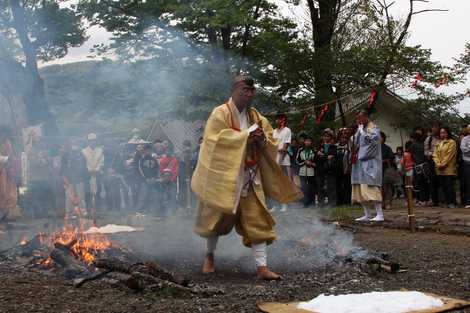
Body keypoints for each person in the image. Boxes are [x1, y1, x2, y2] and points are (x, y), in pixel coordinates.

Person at [191, 75, 302, 280]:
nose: (249, 94)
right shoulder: (220, 113)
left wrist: (260, 140)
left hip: (250, 176)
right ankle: (209, 256)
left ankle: (262, 268)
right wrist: (244, 137)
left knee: (258, 220)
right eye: (245, 90)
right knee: (213, 220)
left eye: (252, 91)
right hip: (224, 179)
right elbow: (213, 140)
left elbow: (271, 140)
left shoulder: (256, 116)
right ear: (234, 90)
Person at [351, 110, 384, 222]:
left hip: (370, 162)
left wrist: (362, 132)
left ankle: (380, 214)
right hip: (359, 163)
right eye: (357, 119)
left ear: (366, 117)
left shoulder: (374, 128)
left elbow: (373, 142)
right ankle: (367, 214)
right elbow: (353, 144)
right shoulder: (360, 129)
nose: (358, 121)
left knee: (371, 188)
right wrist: (357, 132)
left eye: (360, 118)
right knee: (360, 189)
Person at [61, 141, 88, 217]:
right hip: (69, 180)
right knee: (69, 197)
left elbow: (84, 168)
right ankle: (69, 213)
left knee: (81, 197)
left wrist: (83, 177)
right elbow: (63, 169)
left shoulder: (81, 156)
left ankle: (82, 212)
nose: (74, 147)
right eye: (73, 145)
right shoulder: (65, 156)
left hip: (79, 179)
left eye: (76, 145)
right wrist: (65, 179)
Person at [272, 113, 292, 212]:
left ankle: (285, 204)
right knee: (275, 182)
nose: (277, 120)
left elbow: (286, 145)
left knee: (284, 181)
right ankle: (275, 204)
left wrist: (281, 156)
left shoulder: (287, 130)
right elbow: (272, 145)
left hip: (284, 159)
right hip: (275, 157)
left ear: (283, 119)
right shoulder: (273, 131)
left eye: (279, 119)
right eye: (276, 119)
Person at [433, 127, 457, 208]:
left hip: (448, 168)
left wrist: (442, 164)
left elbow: (449, 155)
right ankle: (446, 202)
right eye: (441, 133)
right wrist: (438, 164)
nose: (442, 134)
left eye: (444, 132)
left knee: (449, 185)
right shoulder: (438, 143)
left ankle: (452, 202)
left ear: (448, 133)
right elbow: (435, 155)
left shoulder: (452, 142)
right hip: (439, 168)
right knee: (442, 186)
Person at [82, 133, 105, 215]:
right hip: (87, 175)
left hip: (97, 174)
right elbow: (83, 163)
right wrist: (89, 170)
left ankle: (97, 210)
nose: (92, 142)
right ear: (88, 141)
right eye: (91, 141)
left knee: (97, 192)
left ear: (96, 141)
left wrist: (97, 170)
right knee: (88, 193)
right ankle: (88, 210)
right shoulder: (83, 151)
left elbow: (101, 162)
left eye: (94, 141)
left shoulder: (100, 150)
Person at [0, 128, 20, 222]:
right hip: (3, 176)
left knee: (10, 196)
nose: (8, 147)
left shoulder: (11, 154)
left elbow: (11, 159)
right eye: (6, 145)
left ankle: (5, 216)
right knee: (3, 194)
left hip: (10, 178)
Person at [315, 128, 338, 207]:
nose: (326, 138)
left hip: (330, 169)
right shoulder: (319, 146)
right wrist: (326, 156)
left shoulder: (334, 147)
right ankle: (321, 202)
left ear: (331, 137)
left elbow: (332, 157)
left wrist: (322, 155)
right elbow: (317, 158)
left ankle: (332, 202)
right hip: (320, 169)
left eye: (328, 136)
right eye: (325, 136)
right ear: (322, 137)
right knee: (320, 186)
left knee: (331, 186)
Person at [135, 144, 160, 214]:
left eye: (149, 150)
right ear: (144, 151)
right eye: (146, 150)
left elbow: (157, 169)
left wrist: (155, 178)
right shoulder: (141, 160)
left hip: (153, 180)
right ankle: (140, 210)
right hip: (145, 181)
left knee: (154, 195)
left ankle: (152, 210)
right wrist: (145, 178)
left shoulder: (154, 160)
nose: (148, 151)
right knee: (143, 195)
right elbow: (140, 170)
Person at [410, 131, 430, 206]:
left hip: (418, 166)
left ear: (414, 138)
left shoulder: (413, 145)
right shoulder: (424, 144)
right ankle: (427, 199)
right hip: (425, 165)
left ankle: (422, 200)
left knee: (420, 184)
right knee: (426, 183)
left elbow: (410, 154)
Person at [424, 122, 442, 206]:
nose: (434, 129)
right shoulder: (429, 138)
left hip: (442, 161)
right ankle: (434, 200)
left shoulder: (442, 138)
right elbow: (426, 150)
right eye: (433, 127)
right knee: (432, 181)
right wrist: (430, 155)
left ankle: (442, 199)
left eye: (436, 127)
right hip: (432, 161)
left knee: (441, 180)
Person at [296, 135, 316, 207]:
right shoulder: (300, 150)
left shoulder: (314, 150)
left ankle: (312, 202)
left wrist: (312, 164)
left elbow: (317, 160)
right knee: (304, 187)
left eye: (309, 141)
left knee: (311, 187)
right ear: (304, 142)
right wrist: (304, 162)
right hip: (302, 171)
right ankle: (305, 203)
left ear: (311, 142)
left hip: (311, 171)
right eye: (306, 141)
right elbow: (297, 160)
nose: (307, 142)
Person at [159, 146, 179, 215]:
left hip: (172, 181)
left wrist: (172, 179)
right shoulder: (162, 160)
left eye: (169, 150)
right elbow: (161, 171)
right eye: (167, 150)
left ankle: (172, 210)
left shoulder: (175, 160)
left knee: (173, 195)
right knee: (162, 195)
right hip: (164, 181)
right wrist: (164, 179)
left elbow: (176, 171)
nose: (168, 152)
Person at [336, 127, 352, 206]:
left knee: (347, 186)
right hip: (337, 169)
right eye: (342, 137)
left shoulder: (350, 147)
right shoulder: (336, 146)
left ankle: (347, 201)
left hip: (347, 169)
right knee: (338, 186)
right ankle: (339, 201)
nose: (343, 139)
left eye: (345, 137)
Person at [380, 132, 396, 209]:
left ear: (383, 138)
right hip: (377, 170)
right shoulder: (373, 148)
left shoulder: (387, 148)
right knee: (380, 188)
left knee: (387, 187)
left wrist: (384, 160)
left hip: (386, 169)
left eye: (380, 137)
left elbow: (391, 157)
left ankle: (388, 202)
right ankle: (381, 202)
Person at [460, 125, 470, 209]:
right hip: (467, 162)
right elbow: (464, 150)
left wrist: (468, 148)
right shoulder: (465, 139)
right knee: (467, 182)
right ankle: (468, 201)